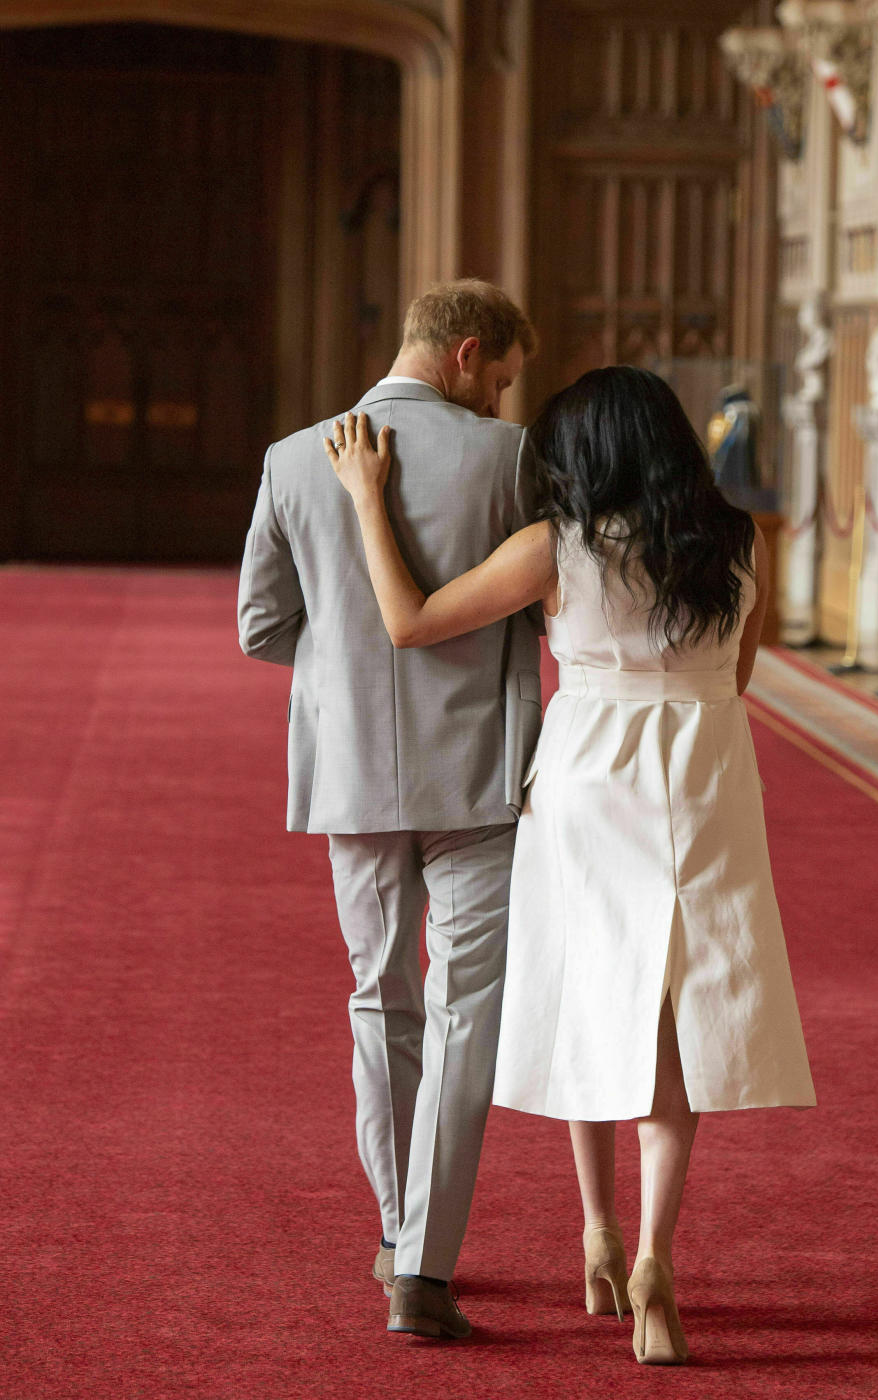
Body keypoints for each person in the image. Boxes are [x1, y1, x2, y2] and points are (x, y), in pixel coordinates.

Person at [324, 365, 817, 1365]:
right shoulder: (735, 543)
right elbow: (740, 678)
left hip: (590, 779)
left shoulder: (559, 548)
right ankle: (650, 1260)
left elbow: (411, 620)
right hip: (706, 776)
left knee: (596, 1004)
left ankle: (594, 1231)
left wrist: (369, 500)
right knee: (677, 1024)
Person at [238, 279, 542, 1341]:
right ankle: (423, 1264)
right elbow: (555, 602)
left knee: (380, 996)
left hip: (352, 772)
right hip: (482, 775)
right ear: (466, 354)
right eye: (502, 378)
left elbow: (259, 626)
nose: (506, 399)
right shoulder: (511, 462)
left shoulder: (291, 459)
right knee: (465, 1017)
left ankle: (391, 1222)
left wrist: (342, 666)